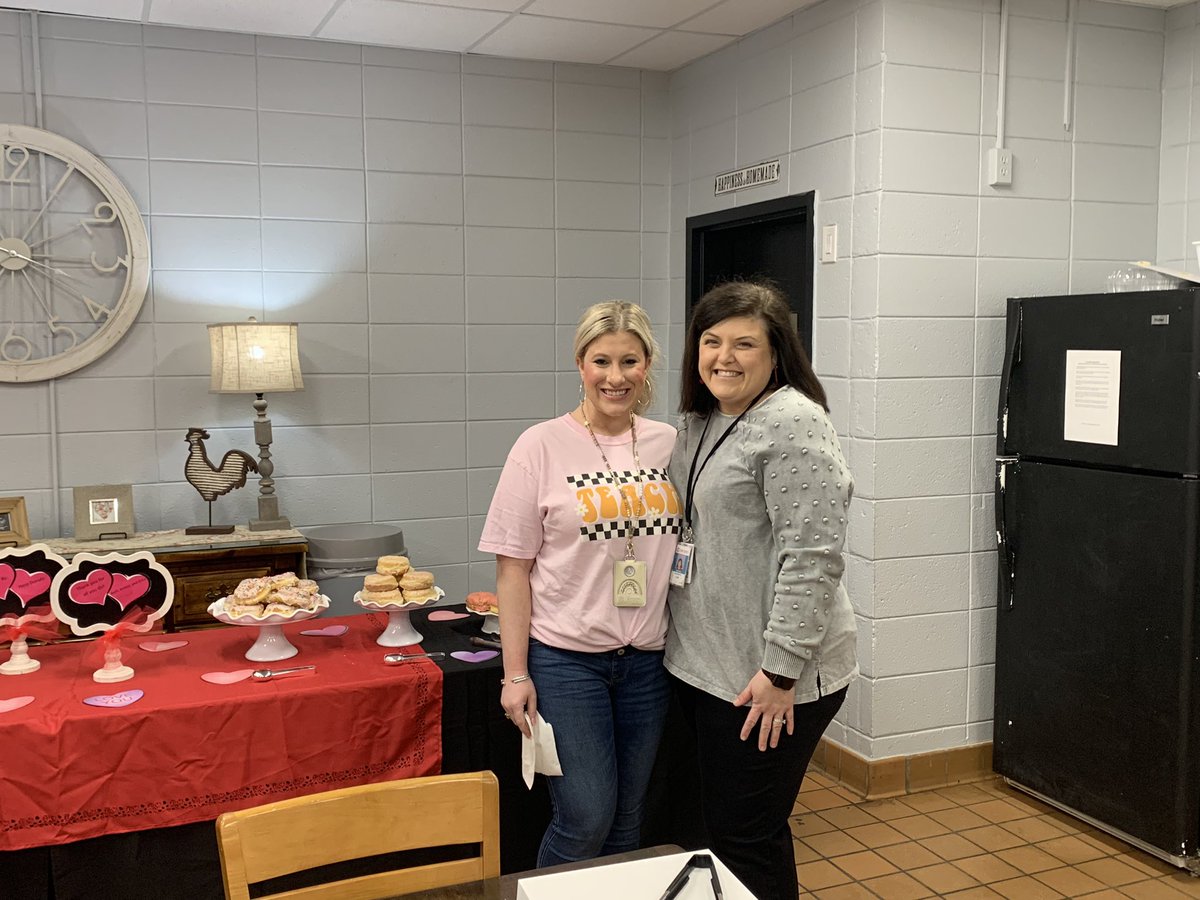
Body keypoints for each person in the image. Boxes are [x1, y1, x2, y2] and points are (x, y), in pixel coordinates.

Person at [665, 281, 857, 900]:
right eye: (711, 340)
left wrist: (780, 672)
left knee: (745, 838)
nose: (725, 355)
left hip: (767, 680)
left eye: (745, 343)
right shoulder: (698, 419)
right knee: (700, 831)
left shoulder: (794, 421)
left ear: (777, 354)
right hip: (701, 664)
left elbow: (814, 557)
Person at [478, 300, 682, 866]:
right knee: (585, 816)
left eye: (629, 361)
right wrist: (514, 673)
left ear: (647, 366)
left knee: (629, 819)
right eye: (601, 361)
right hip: (567, 662)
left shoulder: (671, 444)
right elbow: (512, 568)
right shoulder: (539, 446)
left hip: (649, 660)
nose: (615, 377)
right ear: (579, 364)